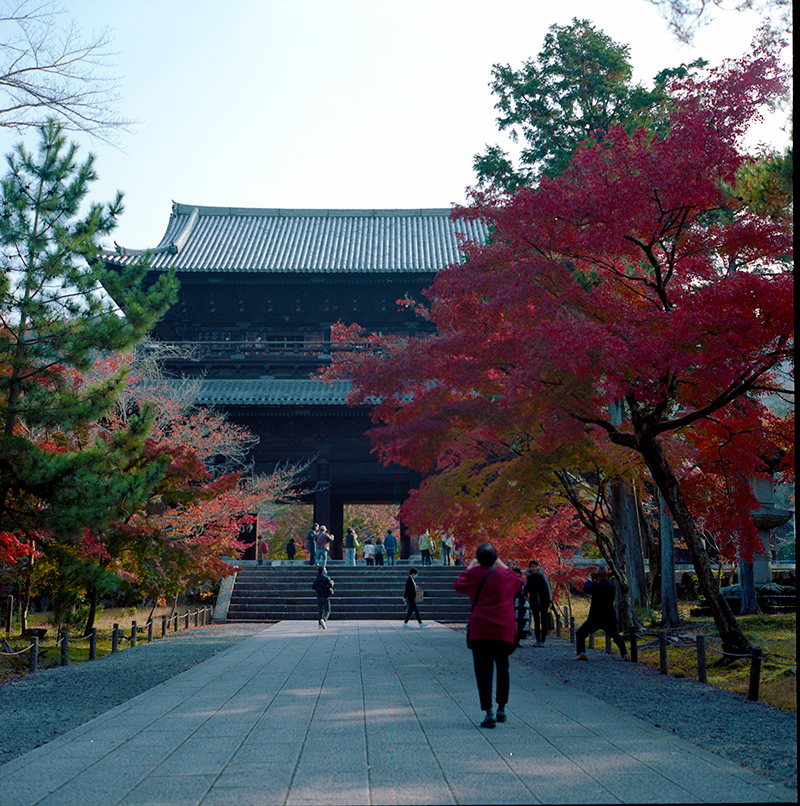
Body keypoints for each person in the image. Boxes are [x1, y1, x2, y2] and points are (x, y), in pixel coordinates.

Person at [455, 543, 522, 729]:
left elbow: (458, 585)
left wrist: (471, 566)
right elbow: (518, 583)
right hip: (503, 630)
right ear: (495, 558)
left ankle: (489, 713)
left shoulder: (474, 575)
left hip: (481, 630)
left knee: (483, 671)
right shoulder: (505, 576)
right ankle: (501, 708)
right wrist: (499, 562)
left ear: (477, 558)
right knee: (503, 667)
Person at [575, 565, 628, 661]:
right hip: (609, 616)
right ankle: (625, 654)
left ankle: (581, 653)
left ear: (597, 576)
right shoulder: (612, 586)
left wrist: (589, 580)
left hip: (595, 617)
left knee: (580, 633)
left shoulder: (595, 586)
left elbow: (586, 589)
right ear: (607, 575)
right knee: (616, 635)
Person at [525, 560, 552, 647]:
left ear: (537, 567)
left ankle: (543, 641)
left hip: (543, 601)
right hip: (534, 601)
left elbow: (548, 588)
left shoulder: (542, 576)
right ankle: (537, 640)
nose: (533, 568)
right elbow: (526, 589)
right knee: (536, 621)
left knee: (543, 621)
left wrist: (550, 601)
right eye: (532, 567)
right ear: (530, 568)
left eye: (535, 566)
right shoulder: (529, 577)